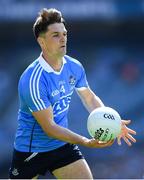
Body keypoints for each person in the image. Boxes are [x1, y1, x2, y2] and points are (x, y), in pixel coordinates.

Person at [9, 8, 136, 179]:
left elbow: (89, 97)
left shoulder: (74, 66)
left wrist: (110, 119)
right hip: (31, 152)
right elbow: (50, 128)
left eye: (65, 34)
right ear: (41, 42)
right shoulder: (32, 79)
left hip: (62, 145)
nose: (63, 39)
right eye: (55, 35)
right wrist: (85, 141)